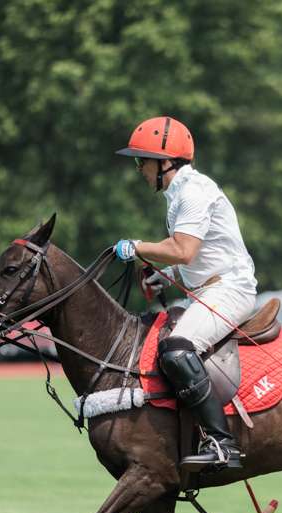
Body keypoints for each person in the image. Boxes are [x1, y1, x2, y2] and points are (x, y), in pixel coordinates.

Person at [113, 116, 257, 470]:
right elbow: (199, 257)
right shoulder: (178, 194)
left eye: (142, 160)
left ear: (166, 162)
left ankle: (222, 444)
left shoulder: (193, 192)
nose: (139, 168)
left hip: (230, 289)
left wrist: (138, 247)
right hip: (208, 289)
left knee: (176, 349)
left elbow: (183, 250)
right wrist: (165, 276)